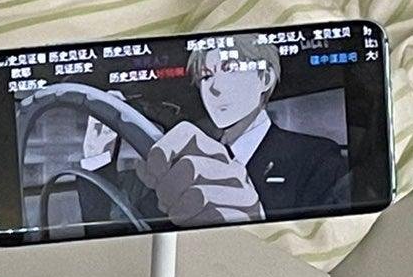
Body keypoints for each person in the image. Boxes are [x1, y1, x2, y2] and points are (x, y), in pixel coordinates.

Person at [138, 34, 349, 229]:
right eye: (206, 77)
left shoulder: (316, 156)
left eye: (230, 69)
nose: (214, 88)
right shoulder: (185, 159)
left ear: (265, 79)